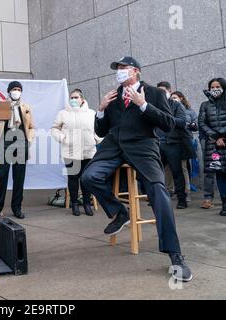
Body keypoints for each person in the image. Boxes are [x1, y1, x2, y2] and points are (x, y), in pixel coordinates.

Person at [81, 56, 193, 282]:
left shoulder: (154, 93)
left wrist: (143, 105)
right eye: (117, 69)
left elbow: (168, 124)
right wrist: (101, 111)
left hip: (143, 145)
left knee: (158, 191)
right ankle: (119, 212)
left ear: (136, 71)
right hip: (113, 146)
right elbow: (102, 131)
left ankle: (175, 255)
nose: (119, 72)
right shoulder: (113, 97)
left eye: (123, 68)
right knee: (88, 177)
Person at [51, 89, 102, 216]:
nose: (73, 100)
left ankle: (86, 203)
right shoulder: (63, 113)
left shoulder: (91, 113)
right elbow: (54, 129)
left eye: (76, 97)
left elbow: (98, 129)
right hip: (71, 151)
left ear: (82, 99)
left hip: (88, 151)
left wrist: (96, 139)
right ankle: (74, 204)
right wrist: (63, 138)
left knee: (86, 178)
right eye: (71, 98)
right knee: (73, 178)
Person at [0, 81, 35, 221]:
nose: (16, 91)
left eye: (18, 89)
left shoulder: (26, 107)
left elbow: (32, 126)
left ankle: (17, 208)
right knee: (1, 177)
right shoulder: (1, 105)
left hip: (21, 143)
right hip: (5, 143)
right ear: (9, 91)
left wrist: (30, 138)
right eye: (14, 89)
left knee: (19, 178)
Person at [156, 81, 189, 209]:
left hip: (173, 144)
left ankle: (182, 199)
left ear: (169, 91)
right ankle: (158, 199)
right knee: (157, 173)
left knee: (177, 172)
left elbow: (182, 122)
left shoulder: (176, 105)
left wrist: (166, 118)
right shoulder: (155, 106)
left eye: (163, 91)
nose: (161, 94)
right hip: (158, 143)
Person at [198, 78, 226, 216]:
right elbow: (202, 123)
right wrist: (216, 137)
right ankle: (224, 204)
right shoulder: (205, 105)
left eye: (218, 86)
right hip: (214, 144)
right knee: (220, 172)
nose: (215, 89)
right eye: (212, 87)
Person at [171, 91, 199, 201]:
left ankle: (186, 191)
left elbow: (196, 125)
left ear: (181, 98)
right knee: (171, 168)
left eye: (175, 97)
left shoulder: (189, 111)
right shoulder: (170, 109)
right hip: (171, 141)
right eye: (172, 97)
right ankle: (172, 190)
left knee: (183, 167)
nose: (173, 99)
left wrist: (192, 125)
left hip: (185, 140)